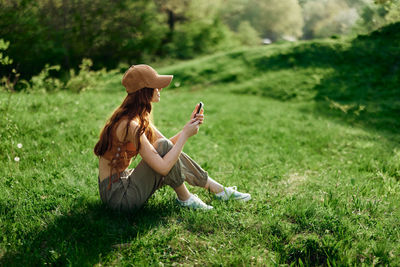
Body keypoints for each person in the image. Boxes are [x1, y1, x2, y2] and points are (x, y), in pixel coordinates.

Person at [93, 64, 250, 212]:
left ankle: (218, 190)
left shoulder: (136, 118)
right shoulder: (129, 125)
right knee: (165, 152)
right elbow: (163, 167)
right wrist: (185, 136)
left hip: (123, 183)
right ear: (144, 91)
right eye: (156, 85)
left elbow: (166, 145)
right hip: (119, 197)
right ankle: (186, 198)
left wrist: (187, 128)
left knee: (164, 147)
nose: (160, 88)